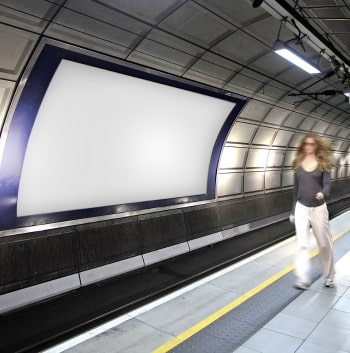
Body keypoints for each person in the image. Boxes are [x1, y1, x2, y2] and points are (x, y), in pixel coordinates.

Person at [290, 133, 335, 290]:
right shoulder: (297, 163)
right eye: (306, 144)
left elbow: (328, 185)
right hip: (301, 208)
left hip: (318, 209)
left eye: (312, 144)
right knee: (302, 244)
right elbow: (296, 190)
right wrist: (292, 211)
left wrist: (323, 192)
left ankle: (328, 277)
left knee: (324, 244)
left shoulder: (324, 164)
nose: (309, 147)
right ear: (303, 146)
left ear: (316, 146)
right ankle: (302, 279)